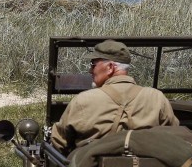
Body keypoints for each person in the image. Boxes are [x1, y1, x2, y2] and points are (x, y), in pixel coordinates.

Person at [50, 39, 179, 151]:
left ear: (110, 67)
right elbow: (173, 135)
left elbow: (59, 141)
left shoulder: (84, 100)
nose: (90, 70)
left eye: (93, 65)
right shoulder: (156, 97)